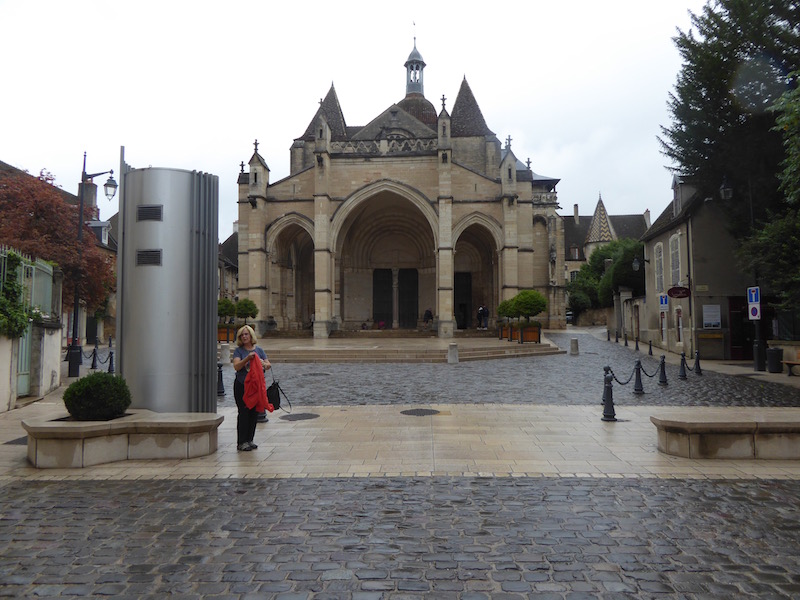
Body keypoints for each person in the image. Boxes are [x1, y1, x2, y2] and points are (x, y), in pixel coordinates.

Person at [232, 324, 271, 451]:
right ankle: (241, 442)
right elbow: (236, 366)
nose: (244, 337)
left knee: (253, 413)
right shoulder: (239, 351)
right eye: (241, 335)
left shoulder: (259, 350)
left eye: (246, 334)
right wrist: (247, 359)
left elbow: (268, 365)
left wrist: (263, 363)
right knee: (243, 413)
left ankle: (250, 439)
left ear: (251, 335)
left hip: (255, 386)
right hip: (242, 385)